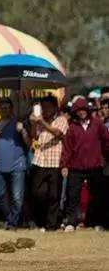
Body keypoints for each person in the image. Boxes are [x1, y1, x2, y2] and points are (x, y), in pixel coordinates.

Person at [60, 97, 109, 231]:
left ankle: (97, 222)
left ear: (87, 110)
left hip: (95, 166)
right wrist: (65, 165)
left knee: (98, 196)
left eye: (83, 109)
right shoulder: (72, 128)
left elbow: (106, 141)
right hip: (76, 167)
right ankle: (71, 222)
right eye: (78, 110)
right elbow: (67, 148)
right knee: (73, 196)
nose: (81, 112)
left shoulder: (98, 124)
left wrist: (104, 158)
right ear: (75, 112)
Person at [0, 98, 29, 229]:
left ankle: (12, 224)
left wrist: (23, 131)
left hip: (17, 166)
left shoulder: (18, 125)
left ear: (12, 109)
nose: (4, 110)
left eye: (7, 108)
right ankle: (11, 217)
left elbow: (29, 143)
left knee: (17, 198)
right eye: (2, 108)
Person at [28, 96, 68, 230]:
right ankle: (40, 220)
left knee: (53, 195)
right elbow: (34, 136)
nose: (45, 109)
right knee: (36, 193)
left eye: (48, 106)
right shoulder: (40, 121)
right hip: (40, 160)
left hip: (55, 162)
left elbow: (58, 133)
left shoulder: (61, 120)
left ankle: (51, 224)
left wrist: (42, 122)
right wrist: (34, 123)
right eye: (43, 107)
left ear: (55, 108)